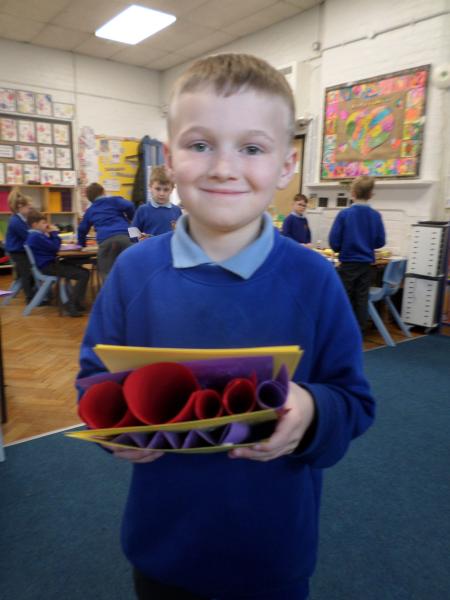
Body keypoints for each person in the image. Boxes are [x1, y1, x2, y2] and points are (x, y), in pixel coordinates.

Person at [78, 54, 375, 600]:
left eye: (252, 148)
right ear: (170, 160)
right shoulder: (135, 273)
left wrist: (312, 410)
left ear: (286, 165)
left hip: (271, 549)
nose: (222, 168)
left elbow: (354, 401)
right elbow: (93, 382)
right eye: (200, 144)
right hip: (163, 544)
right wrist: (113, 426)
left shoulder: (314, 279)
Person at [329, 175, 386, 332]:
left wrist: (341, 248)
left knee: (344, 298)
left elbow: (334, 242)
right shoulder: (375, 216)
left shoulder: (344, 215)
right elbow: (380, 242)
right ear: (371, 195)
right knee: (362, 299)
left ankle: (342, 331)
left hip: (348, 263)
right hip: (366, 265)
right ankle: (359, 332)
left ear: (352, 193)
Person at [27, 210, 89, 317]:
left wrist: (51, 235)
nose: (46, 225)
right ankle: (72, 305)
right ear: (35, 225)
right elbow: (55, 247)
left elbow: (52, 245)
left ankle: (76, 302)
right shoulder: (36, 236)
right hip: (48, 267)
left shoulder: (36, 235)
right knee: (83, 274)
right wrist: (54, 233)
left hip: (49, 264)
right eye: (43, 223)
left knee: (81, 270)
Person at [77, 183, 135, 278]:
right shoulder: (114, 200)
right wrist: (132, 219)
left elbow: (82, 229)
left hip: (106, 242)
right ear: (103, 191)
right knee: (131, 272)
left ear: (89, 199)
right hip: (125, 238)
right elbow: (129, 205)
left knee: (107, 275)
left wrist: (81, 244)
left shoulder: (90, 210)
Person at [131, 165, 182, 239]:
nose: (161, 193)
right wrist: (140, 238)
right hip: (149, 246)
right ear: (150, 187)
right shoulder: (142, 210)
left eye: (166, 189)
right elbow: (132, 235)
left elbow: (182, 235)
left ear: (172, 189)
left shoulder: (177, 210)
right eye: (158, 189)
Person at [5, 188, 34, 303]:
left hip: (19, 250)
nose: (30, 208)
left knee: (28, 271)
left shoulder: (20, 219)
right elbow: (27, 236)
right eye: (28, 207)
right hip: (17, 252)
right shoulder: (16, 221)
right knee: (26, 273)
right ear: (20, 207)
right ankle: (30, 297)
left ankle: (32, 291)